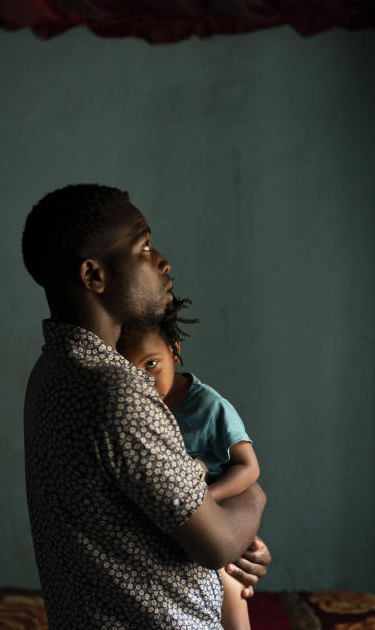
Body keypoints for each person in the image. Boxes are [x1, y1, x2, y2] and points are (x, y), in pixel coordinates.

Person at [21, 184, 270, 628]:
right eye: (145, 246)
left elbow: (141, 526)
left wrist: (237, 536)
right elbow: (216, 544)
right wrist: (252, 498)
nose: (162, 261)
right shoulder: (116, 393)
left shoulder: (52, 372)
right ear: (93, 276)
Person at [116, 297, 260, 630]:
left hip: (218, 520)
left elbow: (249, 468)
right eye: (130, 371)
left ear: (174, 351)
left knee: (231, 586)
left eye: (151, 364)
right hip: (175, 531)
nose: (143, 382)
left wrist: (207, 500)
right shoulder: (134, 411)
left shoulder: (208, 406)